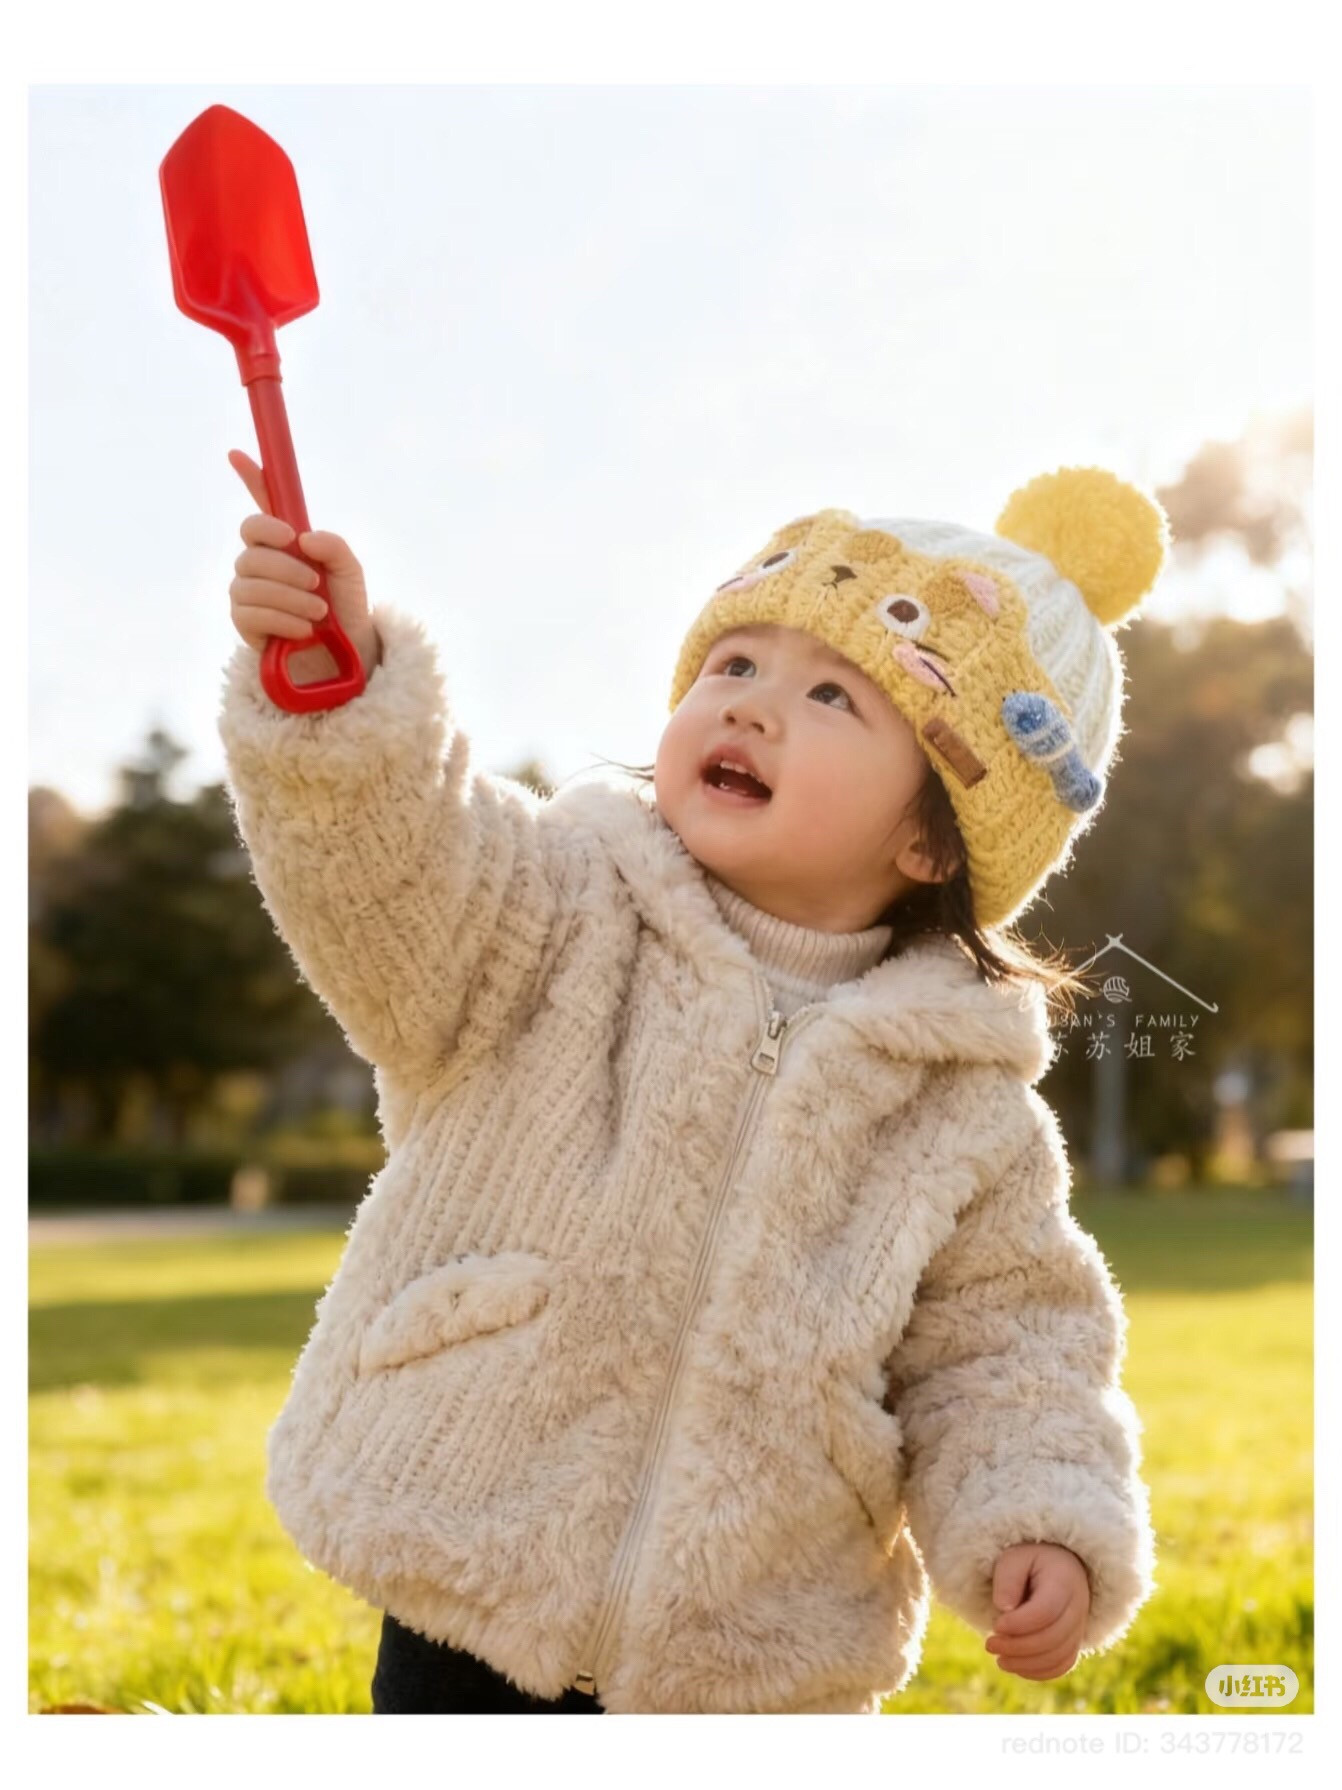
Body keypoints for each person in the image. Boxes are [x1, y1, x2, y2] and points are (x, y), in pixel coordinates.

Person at [219, 452, 1165, 1714]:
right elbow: (393, 880)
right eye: (733, 664)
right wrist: (342, 709)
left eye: (833, 693)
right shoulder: (557, 909)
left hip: (752, 1652)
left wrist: (1035, 1510)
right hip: (475, 1568)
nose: (752, 706)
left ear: (932, 833)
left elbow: (1007, 1348)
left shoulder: (963, 1108)